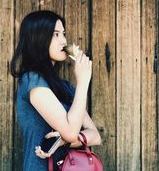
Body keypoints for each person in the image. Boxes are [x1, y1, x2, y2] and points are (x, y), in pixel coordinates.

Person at [11, 10, 101, 170]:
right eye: (55, 34)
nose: (64, 41)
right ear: (37, 39)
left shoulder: (65, 87)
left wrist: (64, 140)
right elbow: (71, 131)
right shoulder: (33, 80)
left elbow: (95, 135)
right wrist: (83, 82)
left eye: (64, 34)